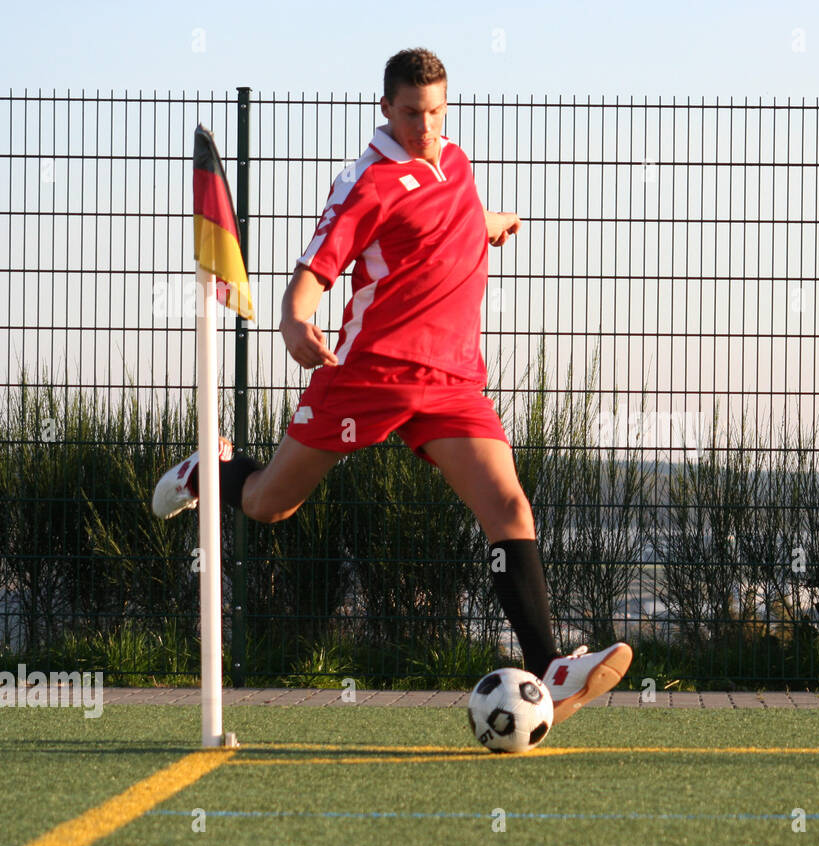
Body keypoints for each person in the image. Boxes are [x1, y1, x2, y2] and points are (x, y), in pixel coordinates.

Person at [152, 47, 631, 723]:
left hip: (453, 380)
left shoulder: (455, 162)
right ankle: (212, 468)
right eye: (412, 113)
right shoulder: (364, 182)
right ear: (386, 108)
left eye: (436, 111)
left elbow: (449, 220)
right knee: (270, 504)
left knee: (509, 508)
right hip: (370, 375)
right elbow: (316, 269)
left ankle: (549, 666)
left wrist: (488, 225)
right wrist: (294, 323)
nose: (426, 125)